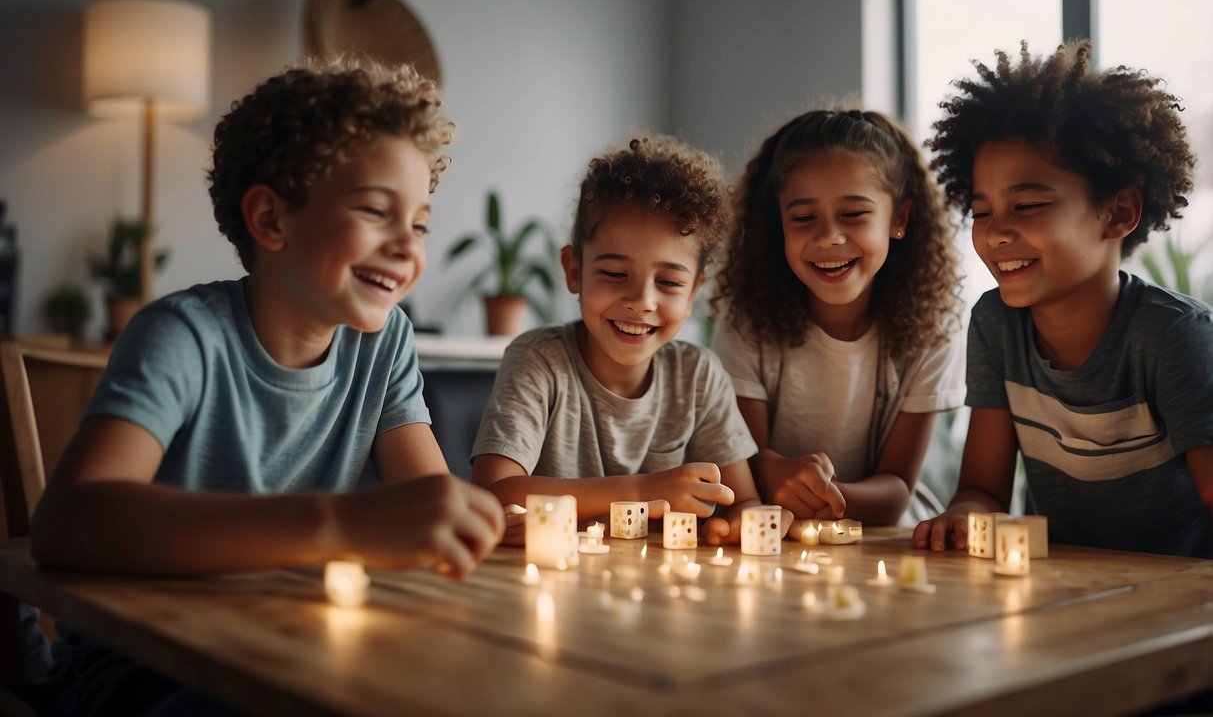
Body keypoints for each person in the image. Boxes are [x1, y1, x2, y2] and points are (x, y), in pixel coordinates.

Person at [29, 59, 504, 713]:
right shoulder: (183, 335)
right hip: (144, 666)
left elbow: (426, 503)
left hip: (298, 647)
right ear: (271, 219)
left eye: (419, 223)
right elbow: (67, 522)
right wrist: (337, 523)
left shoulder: (384, 340)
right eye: (375, 210)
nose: (407, 246)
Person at [913, 40, 1213, 560]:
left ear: (1119, 212)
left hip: (1179, 600)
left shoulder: (1172, 335)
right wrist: (967, 512)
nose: (996, 233)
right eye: (982, 212)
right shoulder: (996, 323)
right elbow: (983, 490)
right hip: (1060, 590)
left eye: (1027, 205)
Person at [470, 135, 779, 546]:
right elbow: (493, 493)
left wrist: (740, 522)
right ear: (574, 270)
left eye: (669, 282)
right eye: (615, 274)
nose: (641, 301)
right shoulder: (538, 360)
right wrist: (641, 492)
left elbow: (744, 502)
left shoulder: (699, 377)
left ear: (693, 293)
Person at [711, 107, 965, 525]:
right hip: (768, 534)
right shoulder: (747, 320)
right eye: (804, 217)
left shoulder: (933, 328)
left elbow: (896, 491)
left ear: (899, 219)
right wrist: (768, 472)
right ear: (779, 225)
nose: (829, 236)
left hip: (885, 543)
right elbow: (741, 466)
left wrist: (811, 493)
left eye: (853, 214)